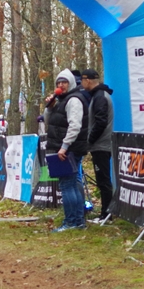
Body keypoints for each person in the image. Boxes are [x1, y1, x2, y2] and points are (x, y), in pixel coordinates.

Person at [44, 69, 89, 232]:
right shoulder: (61, 101)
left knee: (67, 185)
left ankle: (72, 221)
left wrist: (64, 146)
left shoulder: (74, 100)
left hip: (69, 149)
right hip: (64, 148)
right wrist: (49, 108)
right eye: (58, 82)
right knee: (71, 184)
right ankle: (77, 221)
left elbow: (75, 126)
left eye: (64, 82)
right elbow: (48, 122)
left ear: (71, 83)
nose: (61, 85)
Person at [81, 69, 114, 223]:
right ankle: (106, 214)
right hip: (100, 144)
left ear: (87, 80)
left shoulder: (100, 96)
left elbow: (101, 122)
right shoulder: (98, 95)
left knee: (103, 181)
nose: (81, 84)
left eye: (82, 80)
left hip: (101, 144)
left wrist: (90, 140)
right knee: (102, 181)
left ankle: (106, 215)